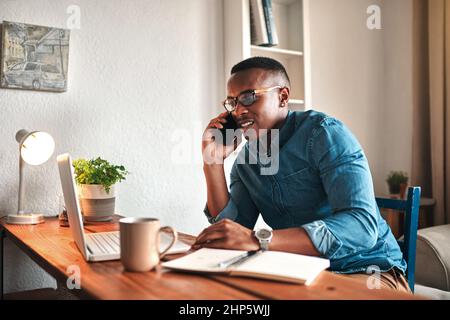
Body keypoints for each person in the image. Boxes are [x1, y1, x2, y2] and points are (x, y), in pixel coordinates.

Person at [194, 56, 410, 292]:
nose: (239, 110)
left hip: (366, 268)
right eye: (232, 102)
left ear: (283, 97)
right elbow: (232, 232)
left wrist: (258, 240)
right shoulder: (247, 161)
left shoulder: (325, 134)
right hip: (300, 270)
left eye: (248, 97)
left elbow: (361, 226)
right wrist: (212, 162)